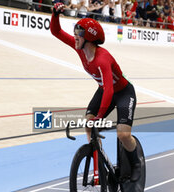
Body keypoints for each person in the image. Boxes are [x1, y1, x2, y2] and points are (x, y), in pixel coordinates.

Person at [51, 2, 141, 182]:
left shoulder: (102, 58)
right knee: (89, 124)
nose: (75, 37)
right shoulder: (81, 49)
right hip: (105, 91)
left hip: (123, 93)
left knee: (123, 134)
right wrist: (55, 14)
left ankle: (136, 163)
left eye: (78, 34)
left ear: (89, 38)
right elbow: (56, 32)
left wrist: (99, 116)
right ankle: (99, 163)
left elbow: (109, 89)